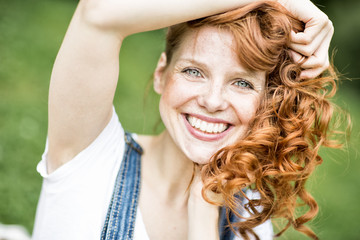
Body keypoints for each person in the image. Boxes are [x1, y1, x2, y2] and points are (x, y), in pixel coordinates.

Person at [32, 0, 338, 239]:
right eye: (194, 71)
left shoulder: (248, 217)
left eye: (242, 82)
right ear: (161, 75)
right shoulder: (89, 157)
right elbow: (98, 13)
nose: (213, 100)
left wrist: (202, 212)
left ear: (264, 103)